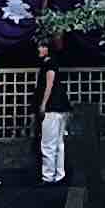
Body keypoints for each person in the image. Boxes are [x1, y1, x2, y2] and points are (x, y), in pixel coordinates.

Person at [35, 58, 70, 195]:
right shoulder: (54, 63)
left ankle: (48, 176)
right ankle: (60, 175)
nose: (39, 48)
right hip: (62, 107)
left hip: (52, 108)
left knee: (48, 144)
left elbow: (49, 84)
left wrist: (43, 103)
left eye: (42, 46)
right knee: (59, 144)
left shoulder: (49, 65)